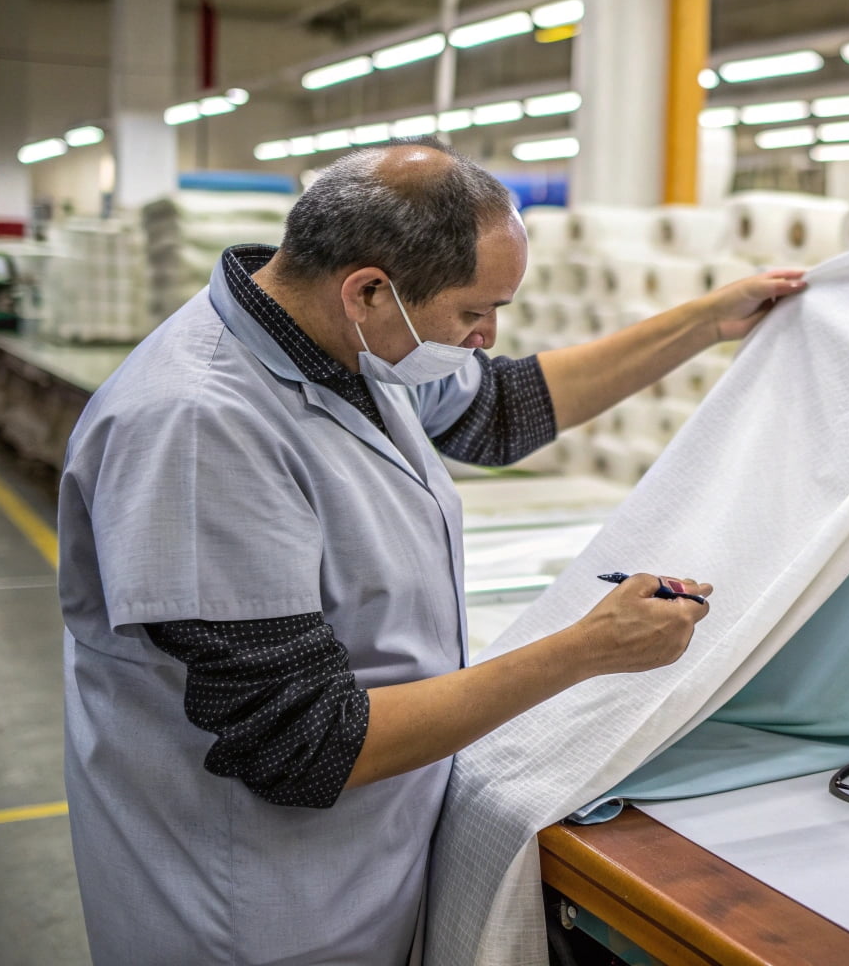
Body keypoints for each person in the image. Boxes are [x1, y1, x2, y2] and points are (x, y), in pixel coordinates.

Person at [57, 137, 806, 964]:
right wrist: (589, 649)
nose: (486, 336)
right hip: (252, 900)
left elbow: (502, 411)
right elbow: (303, 742)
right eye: (474, 312)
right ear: (368, 289)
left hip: (363, 850)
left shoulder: (346, 342)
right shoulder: (200, 428)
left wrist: (706, 322)